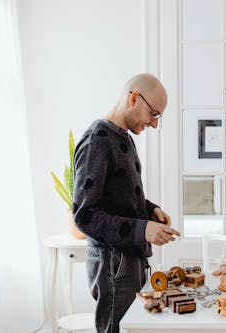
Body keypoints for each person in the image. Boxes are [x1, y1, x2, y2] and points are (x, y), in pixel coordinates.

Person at [73, 73, 181, 333]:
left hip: (128, 258)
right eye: (153, 114)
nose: (154, 124)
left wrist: (150, 210)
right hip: (112, 261)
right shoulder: (96, 142)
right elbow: (84, 215)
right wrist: (142, 229)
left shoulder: (123, 137)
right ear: (134, 98)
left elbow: (120, 197)